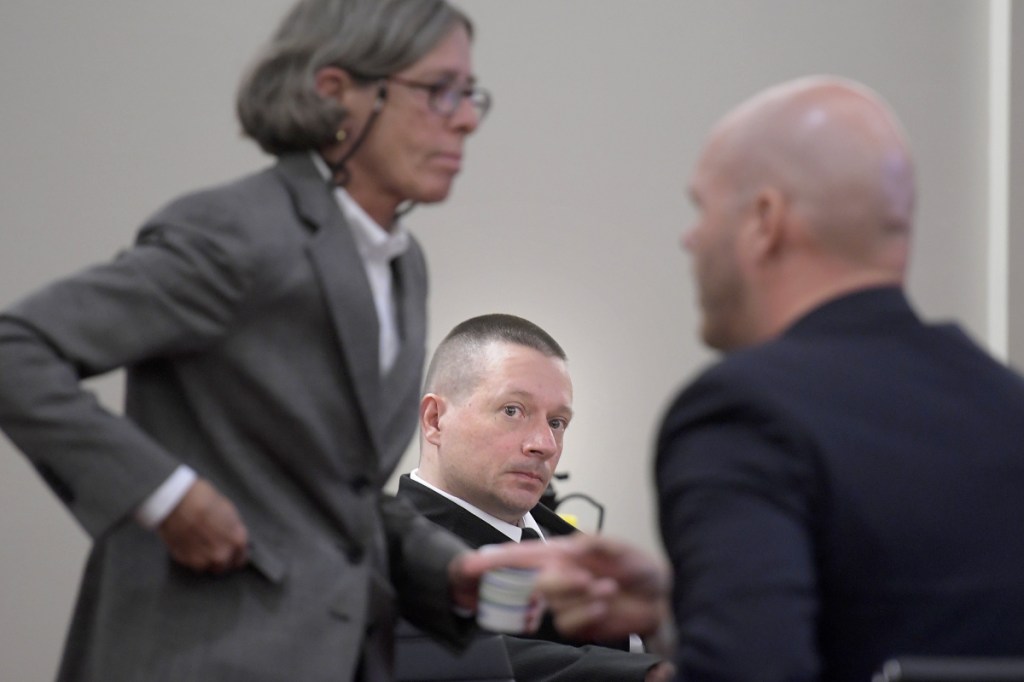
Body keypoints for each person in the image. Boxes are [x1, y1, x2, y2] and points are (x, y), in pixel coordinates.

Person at [0, 1, 496, 679]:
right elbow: (16, 350)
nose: (466, 117)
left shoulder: (403, 265)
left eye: (469, 94)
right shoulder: (239, 231)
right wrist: (166, 496)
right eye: (439, 90)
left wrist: (455, 570)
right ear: (335, 92)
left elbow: (335, 495)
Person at [656, 75, 1024, 682]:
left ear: (765, 220)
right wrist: (691, 597)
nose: (690, 237)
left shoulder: (739, 413)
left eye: (702, 207)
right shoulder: (1009, 407)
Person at [396, 313, 674, 681]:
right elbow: (495, 661)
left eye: (557, 422)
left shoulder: (572, 545)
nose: (544, 444)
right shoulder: (391, 558)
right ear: (434, 420)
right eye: (513, 411)